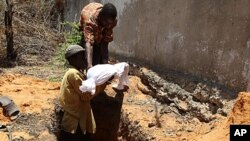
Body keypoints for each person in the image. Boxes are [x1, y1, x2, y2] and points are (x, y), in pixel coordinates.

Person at [59, 45, 95, 141]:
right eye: (82, 56)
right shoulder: (74, 74)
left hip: (76, 119)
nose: (85, 59)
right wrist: (99, 86)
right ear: (73, 59)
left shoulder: (76, 73)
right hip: (74, 123)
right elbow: (86, 95)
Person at [79, 2, 117, 69]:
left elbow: (105, 42)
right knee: (91, 60)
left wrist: (105, 65)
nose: (108, 25)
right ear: (100, 17)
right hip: (87, 21)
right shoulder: (89, 21)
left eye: (109, 23)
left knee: (101, 62)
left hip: (99, 24)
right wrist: (89, 65)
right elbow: (89, 43)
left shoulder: (110, 21)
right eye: (106, 22)